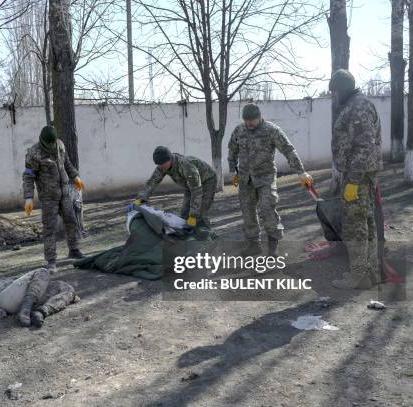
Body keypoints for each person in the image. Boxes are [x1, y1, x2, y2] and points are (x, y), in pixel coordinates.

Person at [227, 103, 313, 256]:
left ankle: (273, 247)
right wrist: (233, 170)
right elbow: (232, 150)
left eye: (252, 120)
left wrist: (301, 172)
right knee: (248, 213)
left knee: (267, 209)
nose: (249, 123)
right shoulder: (239, 131)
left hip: (265, 178)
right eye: (246, 120)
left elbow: (288, 149)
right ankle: (254, 245)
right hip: (245, 179)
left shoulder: (271, 130)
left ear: (259, 117)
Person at [329, 69, 382, 289]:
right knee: (366, 222)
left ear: (342, 89)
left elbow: (364, 145)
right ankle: (370, 274)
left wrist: (352, 180)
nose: (333, 96)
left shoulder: (358, 106)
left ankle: (358, 276)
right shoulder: (355, 104)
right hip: (360, 175)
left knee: (355, 226)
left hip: (357, 177)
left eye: (334, 92)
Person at [23, 126, 86, 272]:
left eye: (53, 143)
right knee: (49, 229)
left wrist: (75, 177)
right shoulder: (34, 153)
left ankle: (74, 249)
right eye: (49, 144)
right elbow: (28, 176)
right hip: (48, 197)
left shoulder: (60, 145)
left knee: (71, 221)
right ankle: (51, 261)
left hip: (65, 192)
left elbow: (67, 164)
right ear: (43, 141)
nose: (52, 146)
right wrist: (28, 198)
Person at [134, 146, 217, 230]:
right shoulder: (162, 166)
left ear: (169, 159)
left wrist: (193, 215)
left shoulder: (186, 166)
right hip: (190, 185)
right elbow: (152, 181)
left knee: (200, 214)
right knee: (184, 213)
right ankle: (188, 234)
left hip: (208, 181)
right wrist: (141, 198)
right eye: (159, 164)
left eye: (162, 164)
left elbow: (196, 191)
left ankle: (207, 236)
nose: (161, 166)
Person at [0, 268, 78, 328]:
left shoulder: (12, 279)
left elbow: (33, 283)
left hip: (27, 296)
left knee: (67, 288)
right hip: (4, 300)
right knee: (42, 271)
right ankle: (25, 309)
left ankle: (42, 311)